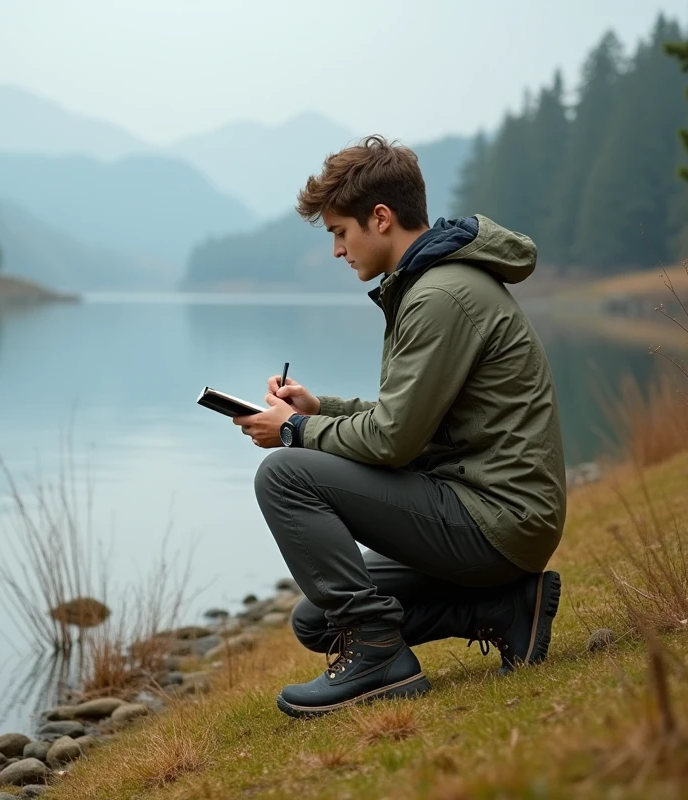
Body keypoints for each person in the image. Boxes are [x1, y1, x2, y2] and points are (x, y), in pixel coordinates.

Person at [231, 135, 567, 719]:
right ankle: (507, 607)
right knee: (318, 621)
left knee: (285, 476)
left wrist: (293, 432)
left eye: (340, 232)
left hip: (498, 516)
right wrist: (317, 409)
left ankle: (383, 661)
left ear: (380, 218)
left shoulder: (441, 296)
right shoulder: (431, 284)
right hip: (488, 509)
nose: (337, 249)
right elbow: (409, 417)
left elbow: (393, 440)